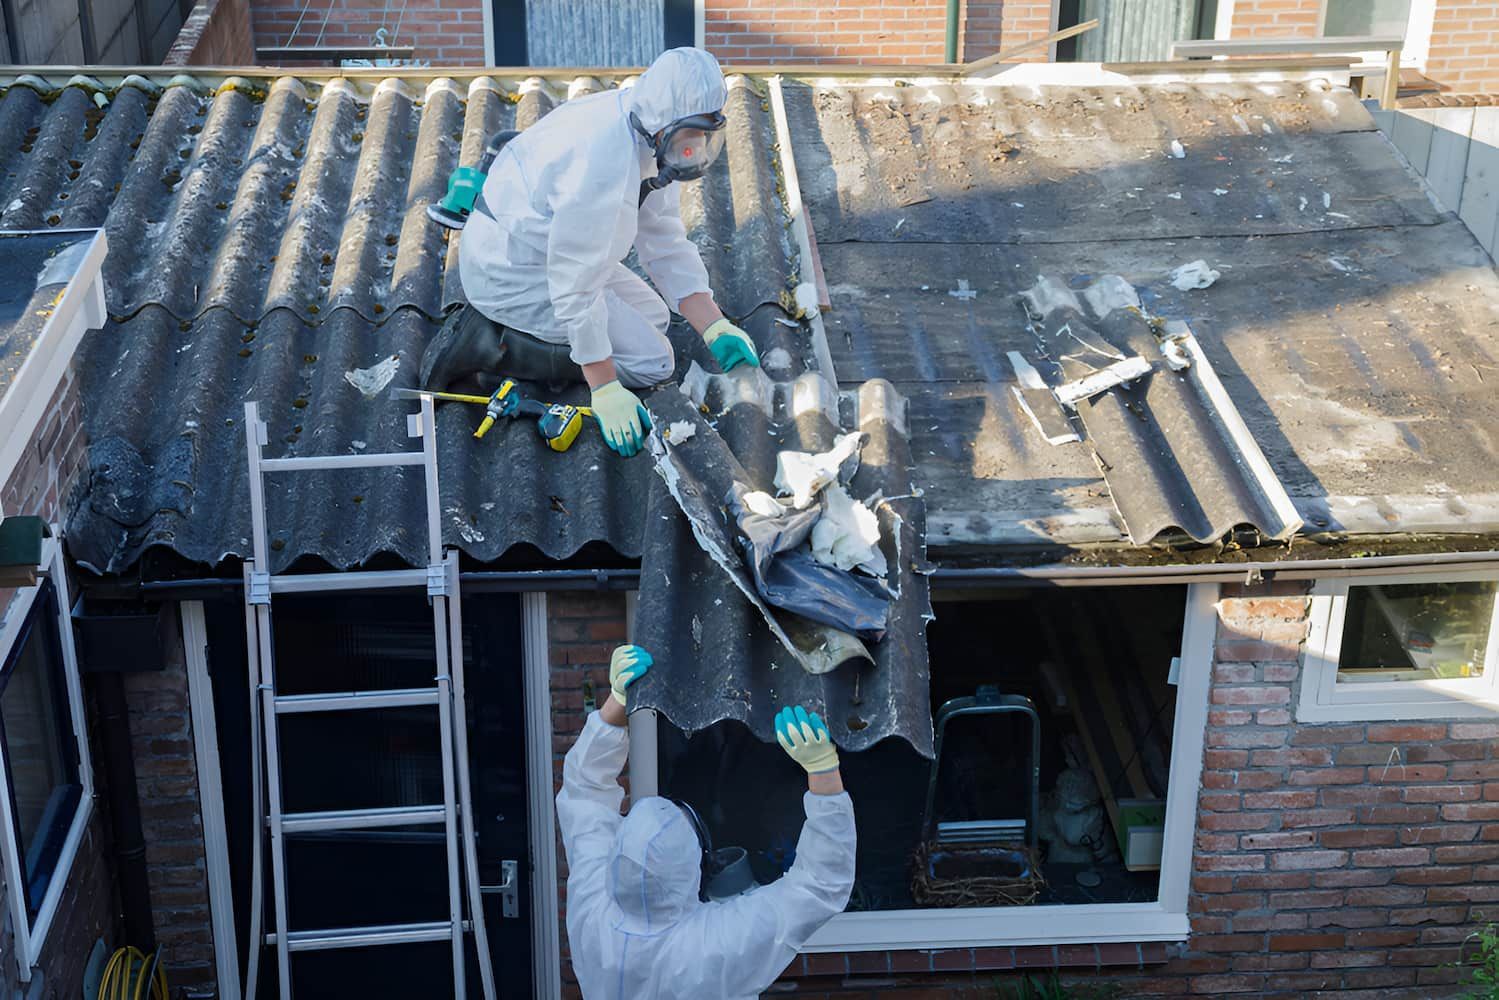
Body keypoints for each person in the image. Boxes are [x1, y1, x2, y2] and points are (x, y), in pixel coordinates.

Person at [427, 47, 761, 458]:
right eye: (692, 134)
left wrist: (714, 325)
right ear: (665, 124)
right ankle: (492, 342)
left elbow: (664, 241)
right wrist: (603, 386)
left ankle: (563, 344)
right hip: (510, 268)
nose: (697, 148)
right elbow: (574, 287)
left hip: (539, 243)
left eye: (706, 133)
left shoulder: (652, 134)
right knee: (654, 362)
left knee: (657, 317)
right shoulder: (600, 167)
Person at [555, 644, 855, 998]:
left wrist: (616, 704)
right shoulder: (713, 944)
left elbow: (585, 793)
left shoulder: (594, 912)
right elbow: (820, 885)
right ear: (694, 867)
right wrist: (823, 774)